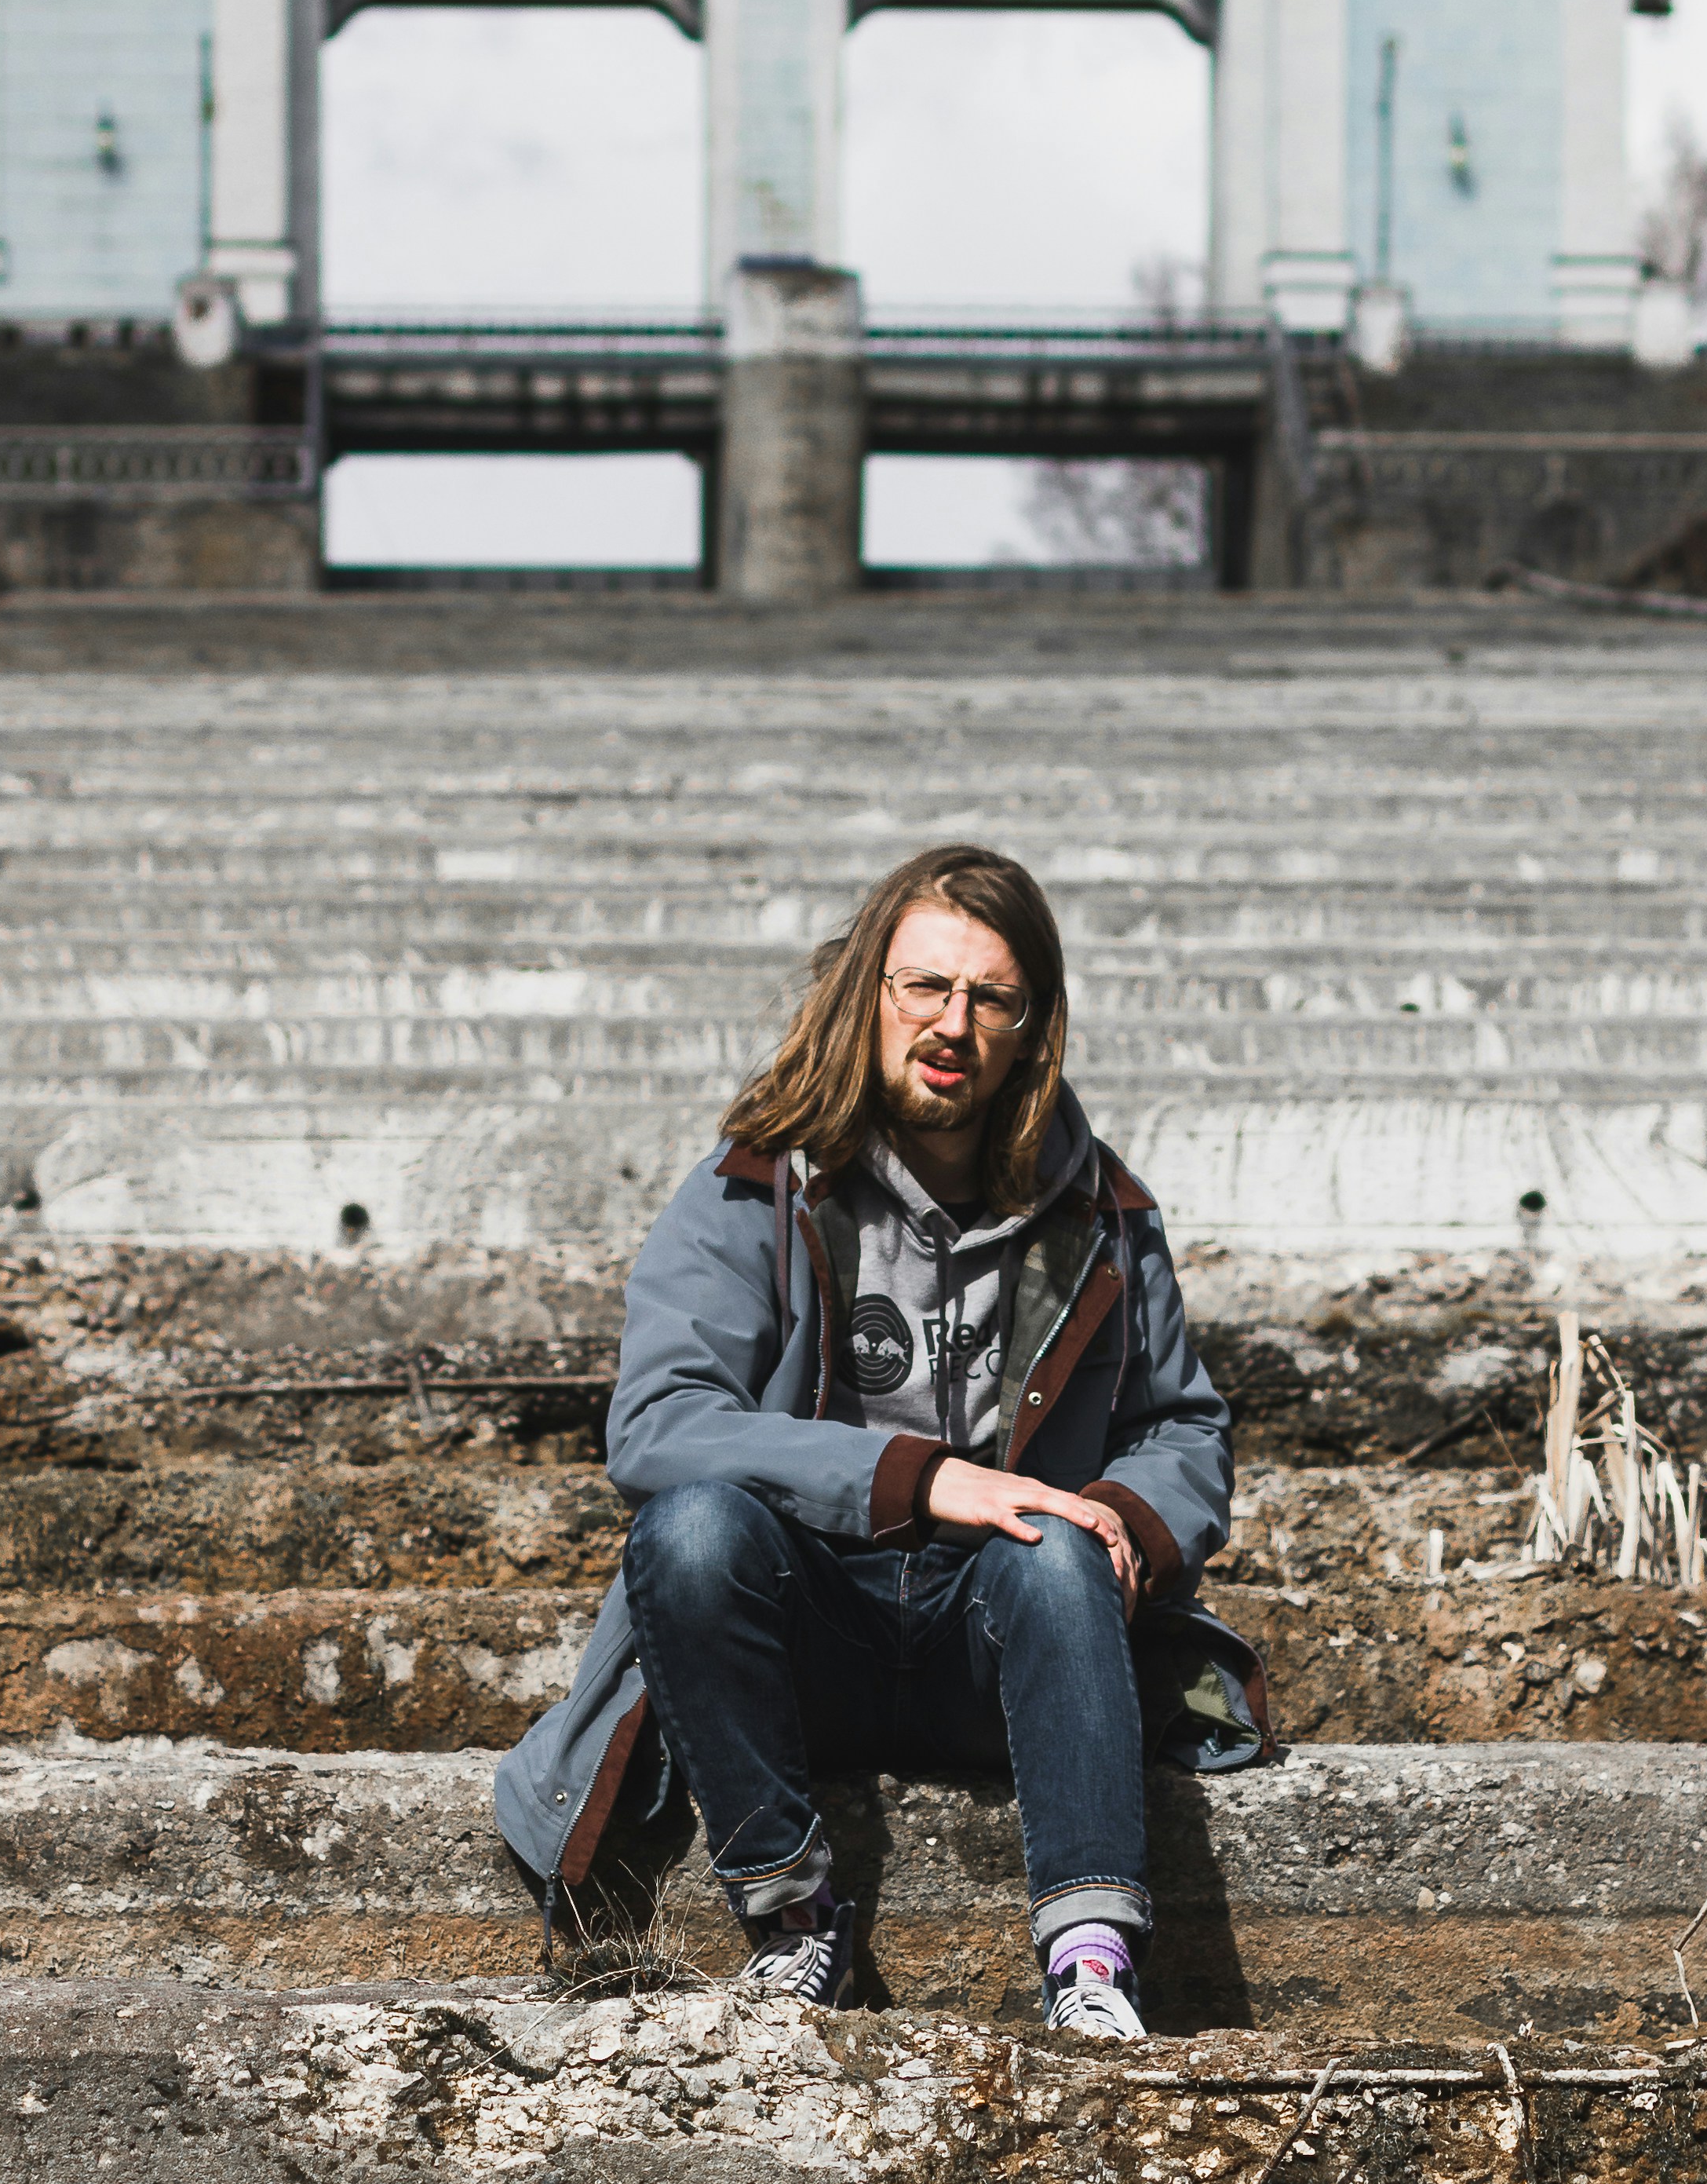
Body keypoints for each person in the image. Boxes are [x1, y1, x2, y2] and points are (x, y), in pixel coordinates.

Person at [494, 842, 1262, 2040]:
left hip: (1004, 1641)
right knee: (691, 1531)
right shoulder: (753, 1187)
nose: (952, 1023)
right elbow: (656, 1428)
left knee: (1058, 1539)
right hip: (807, 1644)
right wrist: (925, 1480)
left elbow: (1184, 1425)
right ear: (870, 993)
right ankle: (797, 1923)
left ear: (1030, 1027)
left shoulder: (1103, 1212)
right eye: (924, 987)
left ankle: (1094, 1965)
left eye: (990, 998)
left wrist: (1125, 1515)